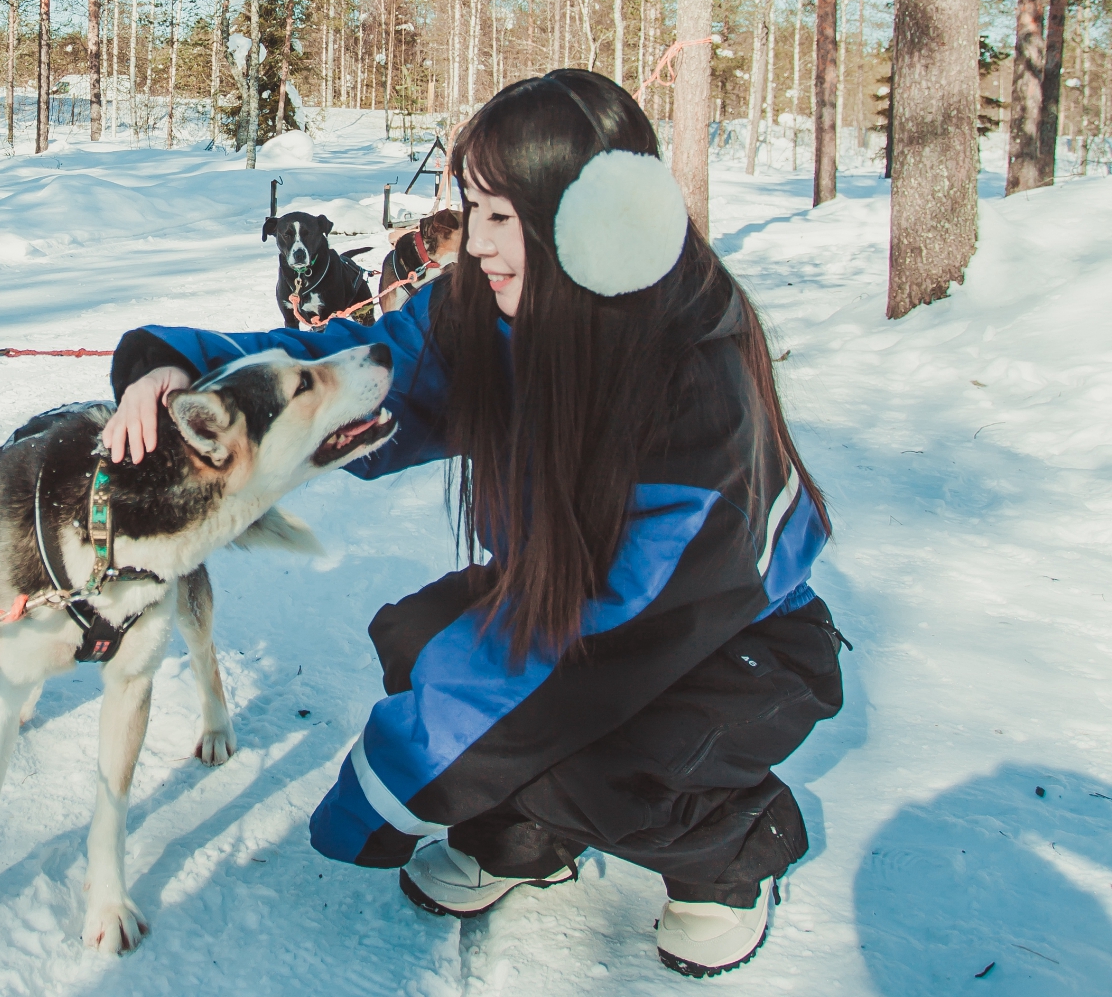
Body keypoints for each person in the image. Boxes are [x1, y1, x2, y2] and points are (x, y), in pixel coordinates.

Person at [99, 69, 844, 979]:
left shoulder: (696, 396)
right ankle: (529, 835)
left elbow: (581, 649)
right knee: (419, 642)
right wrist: (181, 369)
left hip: (737, 652)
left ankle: (728, 853)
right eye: (471, 211)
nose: (476, 245)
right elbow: (349, 368)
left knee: (565, 744)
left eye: (503, 216)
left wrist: (385, 789)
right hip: (579, 609)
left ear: (601, 220)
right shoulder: (492, 313)